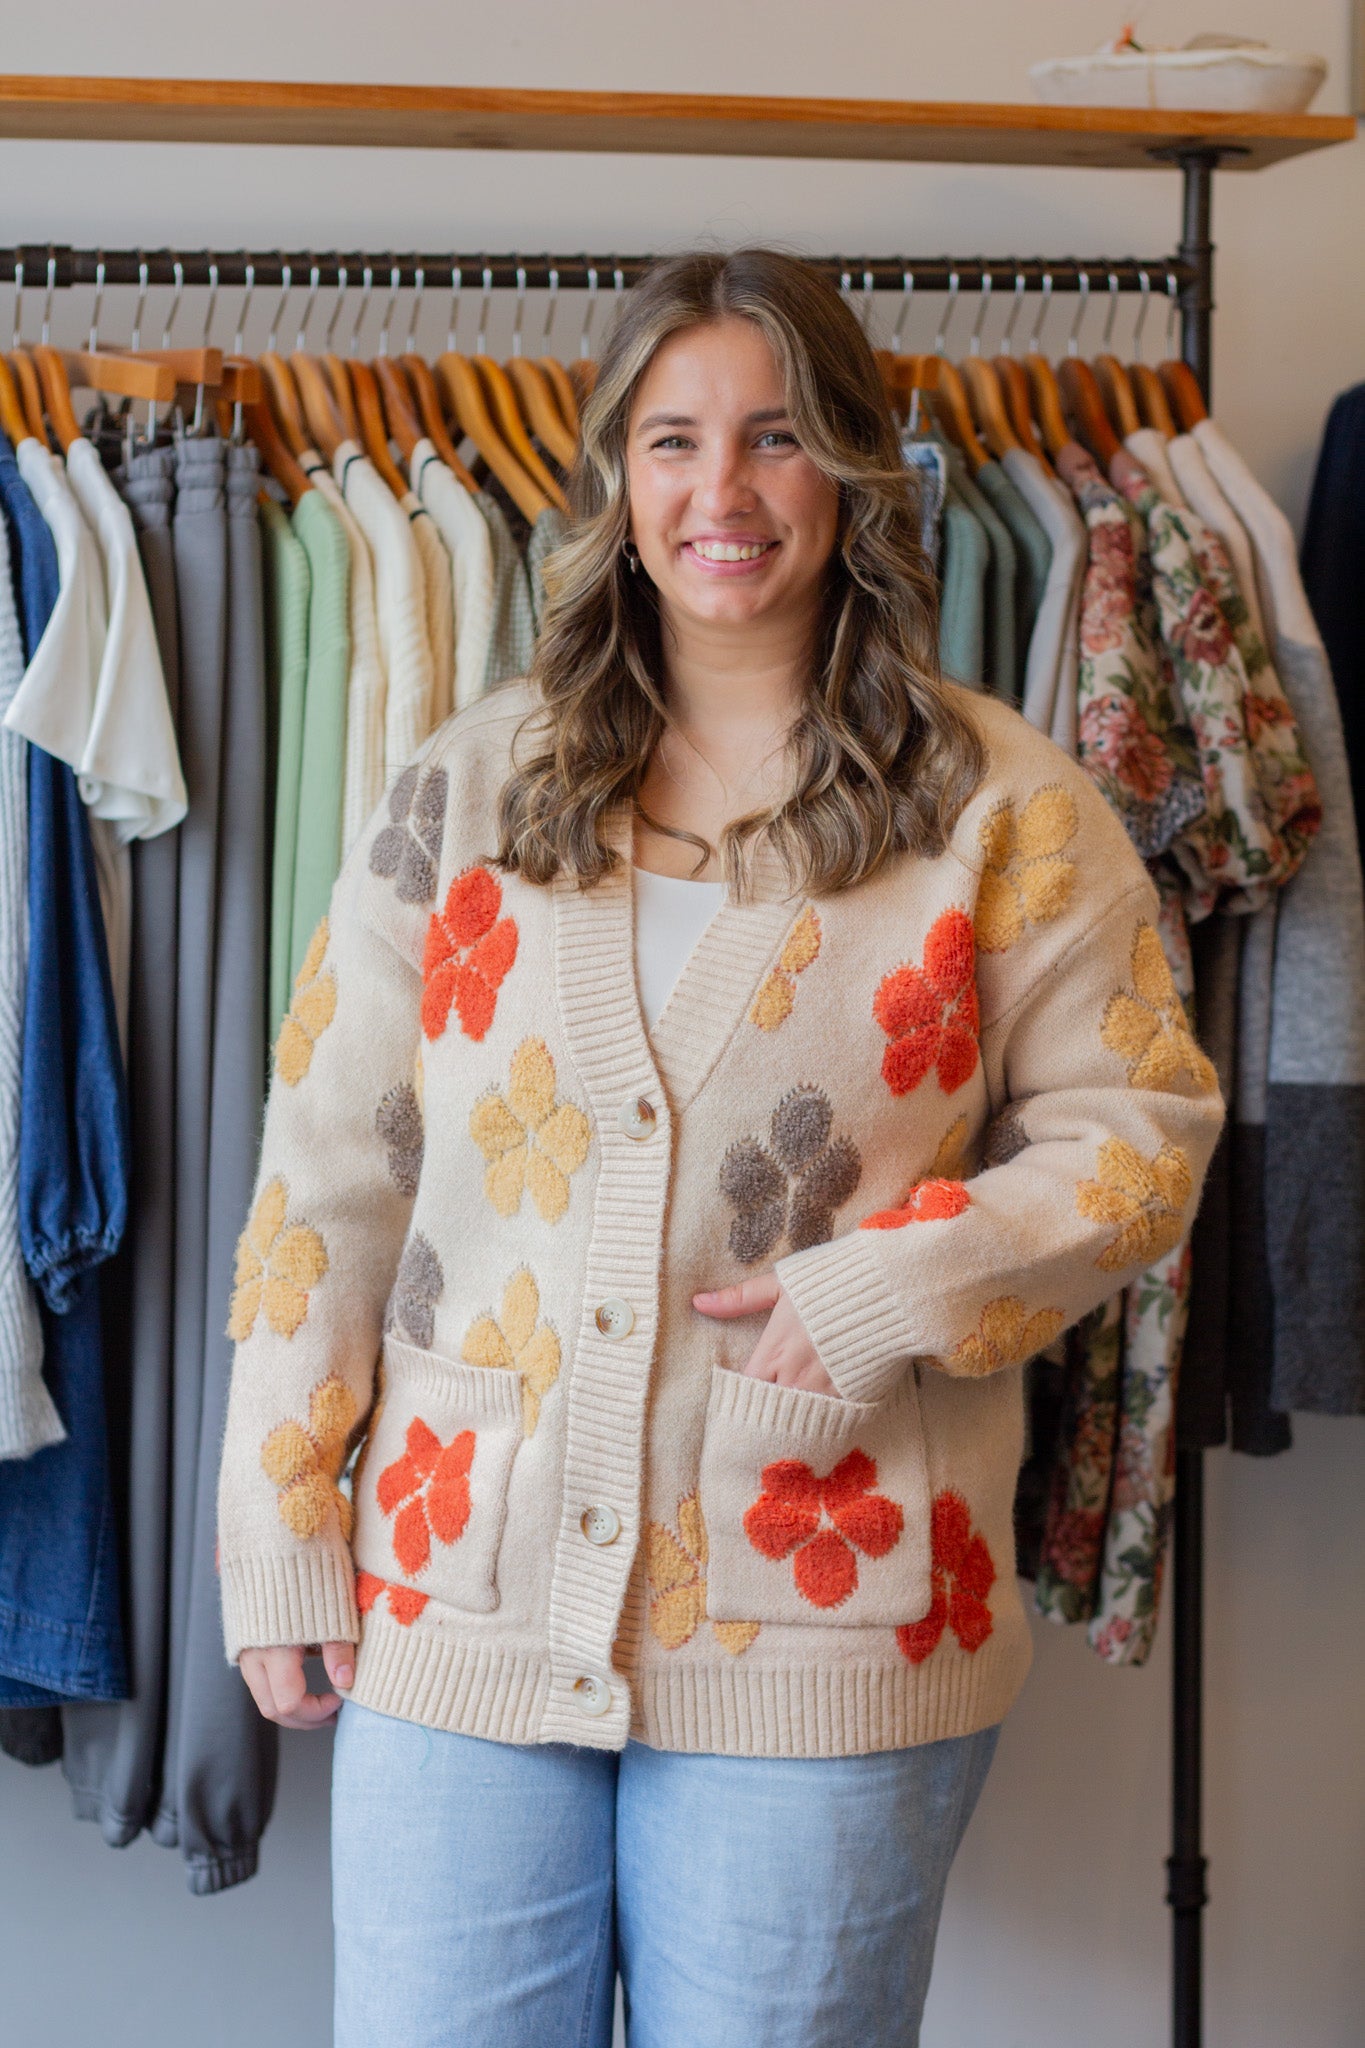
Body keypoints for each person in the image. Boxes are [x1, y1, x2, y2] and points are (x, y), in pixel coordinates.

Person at [217, 249, 1224, 2047]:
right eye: (671, 440)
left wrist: (890, 1284)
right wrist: (282, 1525)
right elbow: (328, 1177)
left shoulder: (1000, 806)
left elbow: (1138, 1135)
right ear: (612, 475)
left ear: (849, 468)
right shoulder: (467, 787)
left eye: (776, 438)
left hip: (826, 1614)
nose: (723, 492)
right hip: (463, 1593)